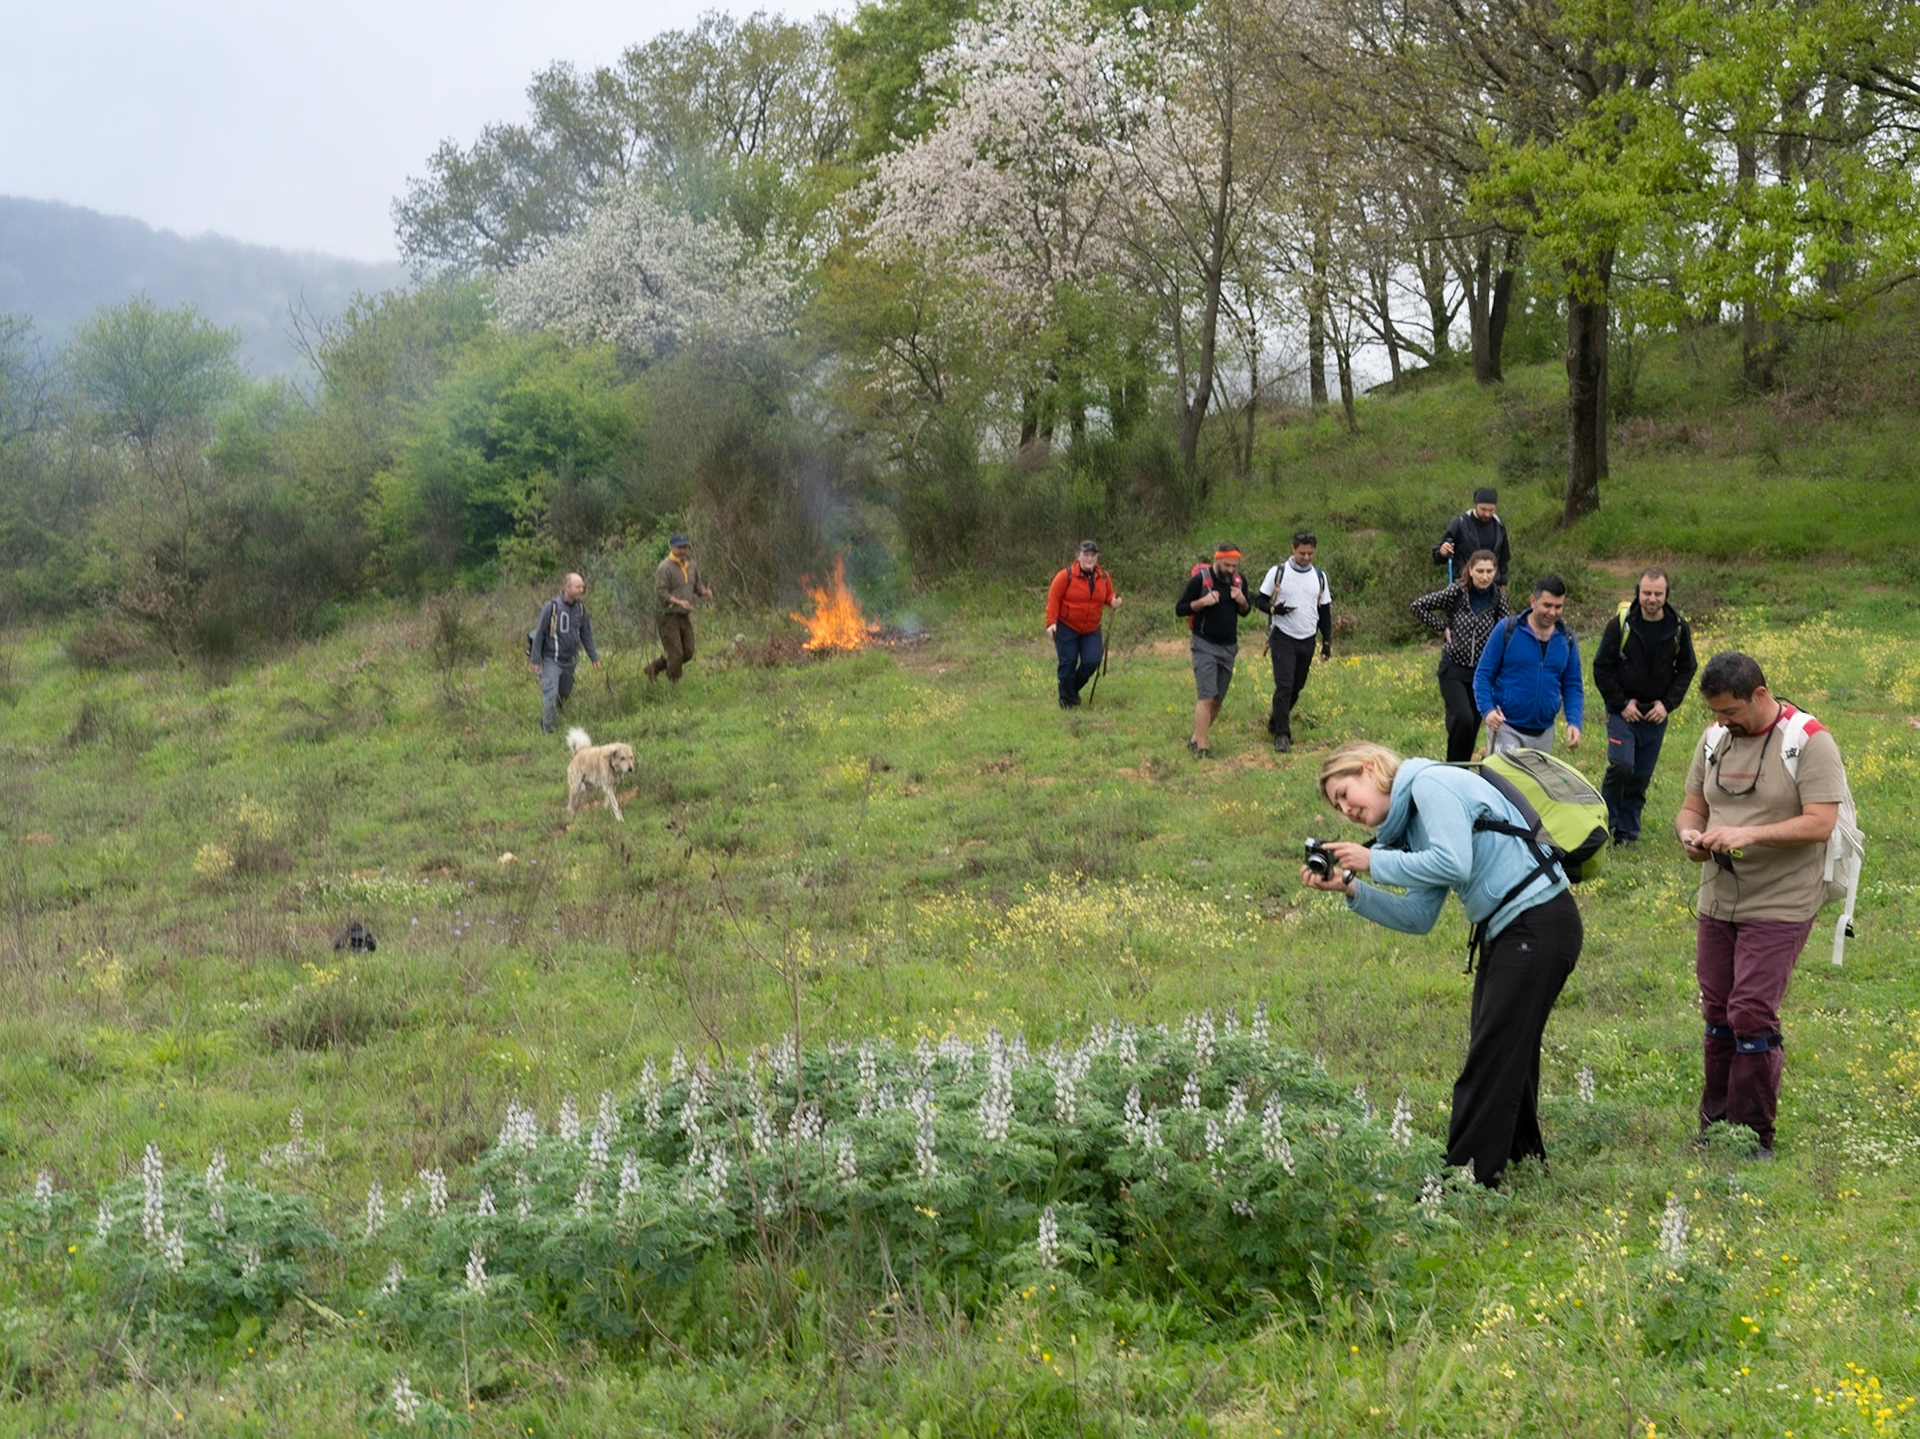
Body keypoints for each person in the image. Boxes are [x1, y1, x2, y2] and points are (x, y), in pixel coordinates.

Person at [1301, 741, 1582, 1186]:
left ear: (1370, 769)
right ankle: (1522, 1157)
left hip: (1537, 921)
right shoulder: (1411, 823)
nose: (1346, 810)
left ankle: (1464, 1181)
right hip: (1511, 930)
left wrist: (1374, 860)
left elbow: (1453, 863)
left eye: (1344, 793)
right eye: (1337, 807)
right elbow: (1418, 917)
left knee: (1491, 1056)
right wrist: (1352, 888)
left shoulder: (1431, 783)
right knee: (1508, 1049)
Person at [1676, 652, 1845, 1157]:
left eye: (1731, 711)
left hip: (1782, 900)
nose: (1722, 721)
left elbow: (1821, 822)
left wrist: (1748, 834)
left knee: (1750, 1012)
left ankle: (1752, 1138)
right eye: (1715, 713)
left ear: (1760, 695)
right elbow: (1692, 807)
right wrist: (1689, 835)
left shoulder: (1809, 741)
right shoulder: (1714, 739)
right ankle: (1714, 1129)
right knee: (1717, 1011)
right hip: (1718, 898)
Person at [1592, 568, 1698, 845]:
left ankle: (1627, 833)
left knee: (1640, 776)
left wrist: (1667, 705)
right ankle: (1604, 823)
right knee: (1622, 766)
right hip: (1622, 712)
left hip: (1655, 715)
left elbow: (1687, 668)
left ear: (1666, 595)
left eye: (1658, 594)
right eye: (1647, 593)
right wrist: (1621, 703)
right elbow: (1602, 667)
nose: (1652, 599)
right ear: (1638, 593)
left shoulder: (1677, 627)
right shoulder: (1620, 624)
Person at [1409, 549, 1511, 762]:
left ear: (1495, 572)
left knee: (1472, 725)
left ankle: (1461, 769)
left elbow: (1506, 632)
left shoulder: (1498, 600)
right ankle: (1451, 765)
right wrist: (1443, 626)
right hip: (1453, 669)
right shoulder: (1456, 592)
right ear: (1470, 571)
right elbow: (1418, 606)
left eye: (1489, 571)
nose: (1484, 576)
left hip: (1480, 674)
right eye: (1480, 571)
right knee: (1463, 718)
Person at [1473, 573, 1583, 755]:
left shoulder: (1567, 639)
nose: (1552, 612)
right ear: (1533, 601)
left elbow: (1572, 685)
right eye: (1547, 605)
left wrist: (1574, 722)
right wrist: (1488, 710)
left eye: (1558, 607)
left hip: (1544, 732)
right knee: (1506, 775)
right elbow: (1483, 674)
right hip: (1506, 727)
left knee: (1534, 776)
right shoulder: (1507, 630)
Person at [1254, 531, 1333, 753]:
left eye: (1310, 554)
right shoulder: (1278, 572)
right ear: (1293, 549)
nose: (1306, 557)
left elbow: (1324, 610)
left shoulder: (1319, 576)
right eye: (1302, 553)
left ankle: (1275, 720)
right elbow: (1259, 600)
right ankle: (1282, 734)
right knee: (1285, 684)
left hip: (1307, 638)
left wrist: (1327, 642)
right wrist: (1273, 609)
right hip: (1283, 636)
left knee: (1297, 686)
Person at [1174, 543, 1251, 758]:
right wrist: (1202, 602)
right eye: (1227, 565)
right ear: (1217, 560)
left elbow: (1245, 611)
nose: (1230, 569)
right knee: (1206, 697)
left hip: (1229, 647)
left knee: (1217, 701)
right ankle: (1202, 748)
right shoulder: (1201, 580)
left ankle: (1196, 738)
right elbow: (1180, 608)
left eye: (1234, 566)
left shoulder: (1239, 580)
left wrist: (1242, 600)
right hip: (1204, 644)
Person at [1045, 540, 1123, 708]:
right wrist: (1051, 623)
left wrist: (1114, 601)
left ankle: (1070, 692)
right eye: (1086, 555)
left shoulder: (1103, 576)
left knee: (1092, 661)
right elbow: (1053, 599)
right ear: (1078, 556)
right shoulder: (1065, 576)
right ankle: (1067, 702)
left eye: (1093, 555)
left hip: (1091, 629)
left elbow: (1109, 596)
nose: (1089, 558)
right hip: (1067, 626)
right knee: (1068, 663)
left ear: (1097, 557)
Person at [527, 572, 601, 734]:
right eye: (578, 587)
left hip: (570, 660)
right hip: (551, 659)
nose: (581, 590)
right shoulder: (551, 607)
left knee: (564, 693)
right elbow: (539, 634)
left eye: (582, 587)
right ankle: (549, 729)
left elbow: (586, 634)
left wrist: (594, 657)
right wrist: (535, 659)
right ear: (567, 588)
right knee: (550, 693)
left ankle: (553, 715)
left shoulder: (580, 609)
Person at [644, 534, 713, 685]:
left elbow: (697, 585)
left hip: (684, 615)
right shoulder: (665, 567)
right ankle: (673, 686)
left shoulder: (691, 565)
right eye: (679, 547)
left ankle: (654, 667)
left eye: (685, 547)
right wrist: (678, 602)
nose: (683, 551)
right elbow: (661, 592)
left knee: (688, 652)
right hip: (668, 616)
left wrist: (704, 592)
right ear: (671, 547)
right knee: (675, 655)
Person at [1433, 486, 1511, 589]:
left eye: (1491, 510)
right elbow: (1437, 553)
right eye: (1483, 509)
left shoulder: (1499, 525)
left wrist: (1502, 584)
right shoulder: (1460, 523)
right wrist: (1442, 552)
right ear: (1475, 505)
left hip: (1492, 585)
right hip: (1464, 584)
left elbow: (1504, 558)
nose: (1487, 514)